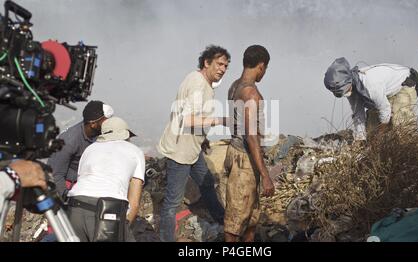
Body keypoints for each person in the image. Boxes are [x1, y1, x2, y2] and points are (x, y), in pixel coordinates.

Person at [157, 45, 230, 242]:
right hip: (180, 151)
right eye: (219, 64)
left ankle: (223, 221)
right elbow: (187, 120)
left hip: (192, 147)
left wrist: (203, 137)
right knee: (172, 202)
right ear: (206, 63)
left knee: (206, 183)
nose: (222, 69)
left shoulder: (200, 81)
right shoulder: (198, 85)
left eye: (226, 66)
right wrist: (221, 120)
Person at [224, 45, 275, 242]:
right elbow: (251, 136)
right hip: (244, 160)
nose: (265, 72)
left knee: (251, 219)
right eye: (266, 68)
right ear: (261, 66)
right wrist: (266, 176)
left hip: (236, 153)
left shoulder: (234, 86)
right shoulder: (251, 94)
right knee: (235, 223)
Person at [66, 116, 145, 242]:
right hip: (107, 211)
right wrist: (121, 228)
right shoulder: (135, 152)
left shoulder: (89, 149)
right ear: (126, 135)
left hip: (74, 208)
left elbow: (81, 181)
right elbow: (134, 203)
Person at [324, 57, 418, 142]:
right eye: (341, 94)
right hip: (383, 93)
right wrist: (360, 138)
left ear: (349, 81)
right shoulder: (351, 90)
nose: (346, 94)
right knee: (371, 130)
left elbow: (384, 109)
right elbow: (358, 113)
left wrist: (381, 132)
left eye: (345, 90)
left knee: (399, 123)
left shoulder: (370, 85)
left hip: (404, 85)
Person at [48, 100, 114, 198]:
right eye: (106, 121)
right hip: (72, 188)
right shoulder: (69, 140)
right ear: (93, 124)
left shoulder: (103, 134)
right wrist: (66, 198)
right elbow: (55, 174)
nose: (110, 123)